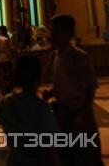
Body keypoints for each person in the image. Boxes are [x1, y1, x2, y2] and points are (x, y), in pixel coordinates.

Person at [46, 14, 101, 166]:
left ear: (69, 34)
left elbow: (90, 86)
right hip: (62, 112)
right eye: (51, 31)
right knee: (66, 154)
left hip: (78, 113)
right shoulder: (55, 56)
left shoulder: (79, 57)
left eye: (56, 31)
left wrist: (83, 113)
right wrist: (52, 91)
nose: (51, 35)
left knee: (87, 155)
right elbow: (62, 82)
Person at [0, 55, 57, 166]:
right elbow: (48, 146)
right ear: (38, 77)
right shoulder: (42, 107)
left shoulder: (5, 102)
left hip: (14, 160)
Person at [0, 25, 14, 93]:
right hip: (8, 59)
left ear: (0, 31)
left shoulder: (0, 39)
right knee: (8, 75)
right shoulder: (8, 39)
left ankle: (3, 90)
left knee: (2, 76)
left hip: (1, 59)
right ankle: (9, 89)